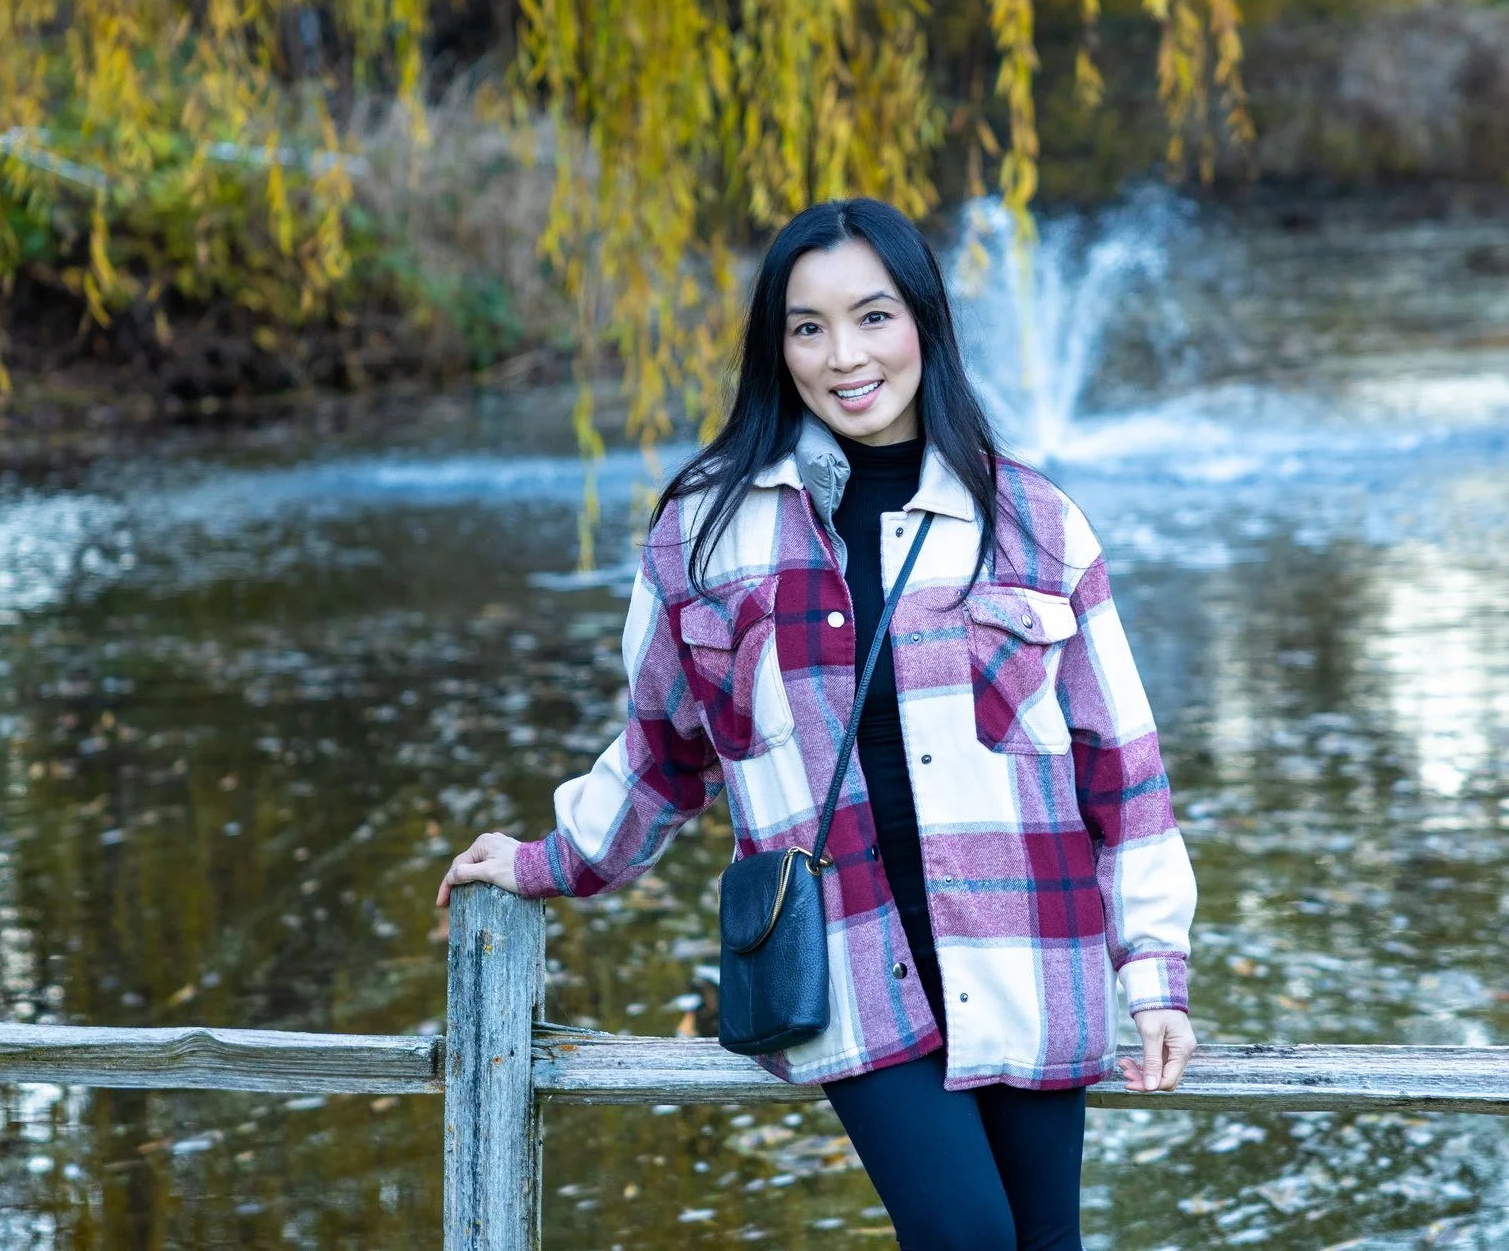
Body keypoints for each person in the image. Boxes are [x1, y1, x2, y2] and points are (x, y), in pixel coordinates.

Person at [437, 198, 1197, 1250]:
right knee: (966, 1235)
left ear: (924, 322)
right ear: (775, 344)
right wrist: (547, 861)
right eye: (808, 326)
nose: (844, 355)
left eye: (872, 317)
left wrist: (1152, 974)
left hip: (1030, 949)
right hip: (843, 961)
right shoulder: (708, 531)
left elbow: (1123, 770)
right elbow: (662, 752)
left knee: (1041, 1243)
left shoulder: (1032, 522)